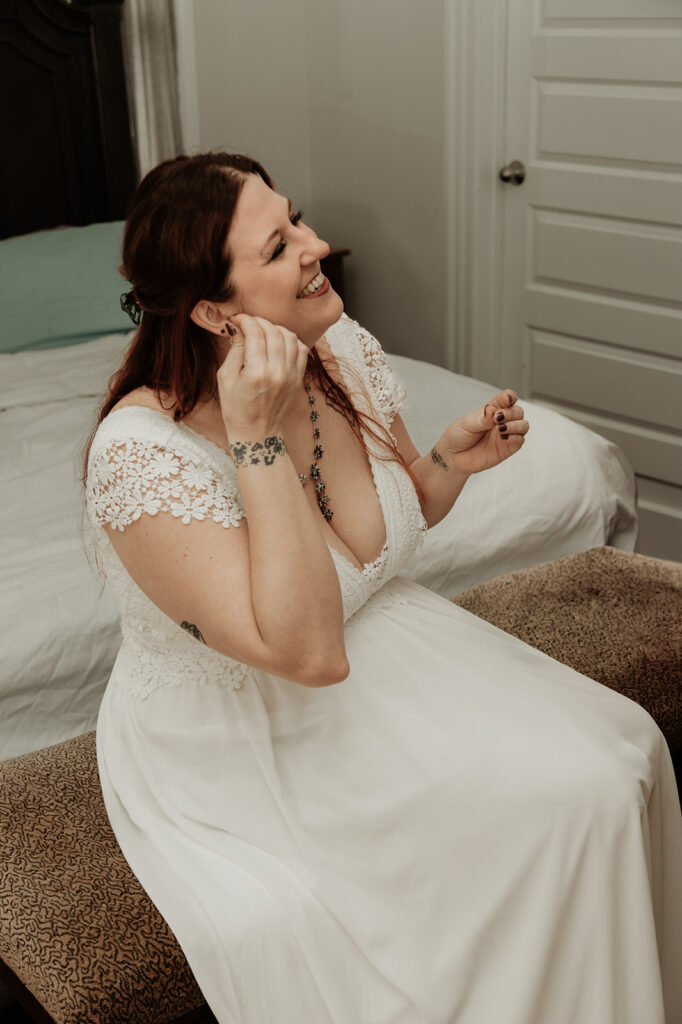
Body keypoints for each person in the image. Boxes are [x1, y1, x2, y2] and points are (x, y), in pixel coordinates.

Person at [84, 152, 681, 1024]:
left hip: (386, 643)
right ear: (214, 309)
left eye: (299, 219)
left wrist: (449, 461)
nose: (319, 245)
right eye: (281, 244)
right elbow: (306, 654)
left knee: (626, 751)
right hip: (248, 725)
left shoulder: (339, 349)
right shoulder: (141, 458)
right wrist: (253, 438)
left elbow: (382, 535)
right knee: (568, 809)